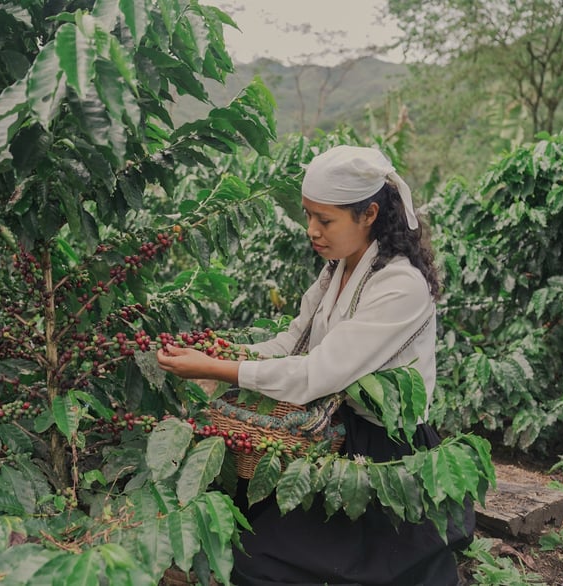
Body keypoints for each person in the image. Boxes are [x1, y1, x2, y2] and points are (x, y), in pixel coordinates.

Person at [156, 145, 475, 586]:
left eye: (324, 220)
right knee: (236, 525)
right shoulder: (338, 268)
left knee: (265, 558)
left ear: (369, 214)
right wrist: (230, 353)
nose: (312, 230)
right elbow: (294, 341)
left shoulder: (399, 284)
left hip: (381, 448)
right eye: (308, 215)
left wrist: (215, 368)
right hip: (327, 425)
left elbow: (314, 373)